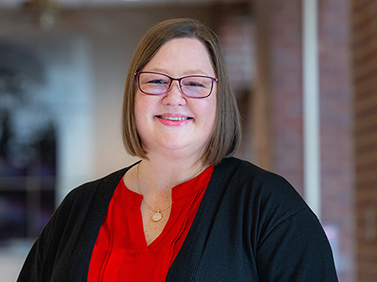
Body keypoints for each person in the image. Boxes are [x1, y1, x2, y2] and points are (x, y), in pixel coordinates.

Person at [17, 18, 338, 281]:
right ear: (135, 93)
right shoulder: (78, 207)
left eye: (195, 83)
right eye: (157, 81)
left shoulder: (270, 207)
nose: (174, 97)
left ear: (219, 100)